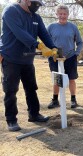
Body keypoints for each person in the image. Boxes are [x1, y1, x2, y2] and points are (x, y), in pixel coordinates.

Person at [0, 0, 57, 132]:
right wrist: (38, 45)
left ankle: (34, 114)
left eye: (39, 4)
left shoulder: (36, 17)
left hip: (27, 59)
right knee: (11, 90)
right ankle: (11, 120)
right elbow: (19, 33)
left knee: (31, 88)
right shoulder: (11, 11)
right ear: (25, 0)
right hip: (11, 58)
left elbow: (44, 34)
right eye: (35, 3)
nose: (37, 7)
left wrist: (53, 48)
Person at [47, 4, 83, 109]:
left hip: (70, 57)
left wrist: (76, 53)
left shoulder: (73, 27)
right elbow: (45, 42)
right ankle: (55, 100)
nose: (62, 16)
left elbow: (80, 42)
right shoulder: (51, 27)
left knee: (71, 79)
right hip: (54, 58)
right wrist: (50, 52)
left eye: (65, 14)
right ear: (56, 14)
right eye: (60, 14)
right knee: (57, 79)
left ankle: (73, 100)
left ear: (68, 15)